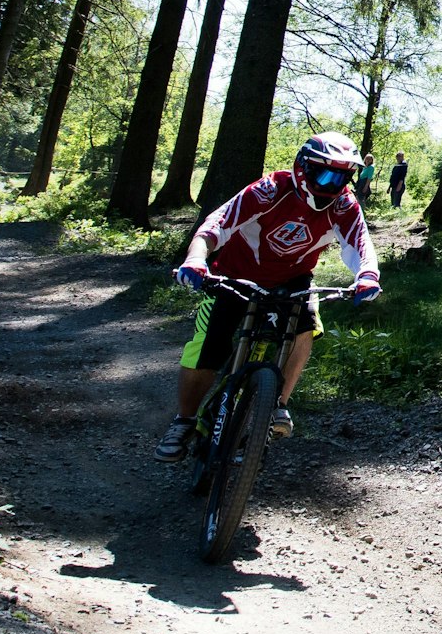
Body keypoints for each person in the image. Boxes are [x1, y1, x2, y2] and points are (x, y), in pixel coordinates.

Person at [152, 132, 382, 463]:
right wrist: (196, 259)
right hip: (234, 276)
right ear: (304, 168)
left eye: (343, 176)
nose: (332, 184)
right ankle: (183, 421)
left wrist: (367, 276)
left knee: (306, 326)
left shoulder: (344, 204)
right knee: (207, 349)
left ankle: (278, 407)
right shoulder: (270, 189)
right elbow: (217, 224)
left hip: (292, 281)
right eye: (326, 174)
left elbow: (360, 245)